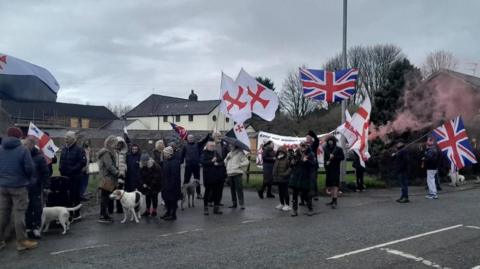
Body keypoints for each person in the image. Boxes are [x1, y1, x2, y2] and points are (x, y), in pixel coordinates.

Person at [0, 127, 37, 251]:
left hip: (3, 186)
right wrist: (27, 179)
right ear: (20, 137)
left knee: (3, 213)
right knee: (19, 214)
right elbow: (30, 168)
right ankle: (21, 242)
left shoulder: (1, 148)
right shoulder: (23, 150)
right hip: (18, 186)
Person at [24, 138, 49, 239]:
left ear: (32, 145)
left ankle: (37, 227)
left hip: (36, 186)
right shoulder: (23, 156)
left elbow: (45, 173)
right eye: (24, 145)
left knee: (37, 207)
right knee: (27, 207)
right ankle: (28, 227)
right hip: (24, 186)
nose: (25, 147)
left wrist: (46, 186)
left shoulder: (39, 157)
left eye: (27, 145)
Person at [59, 131, 87, 220]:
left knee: (75, 196)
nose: (65, 139)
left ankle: (77, 214)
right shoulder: (64, 149)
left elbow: (82, 162)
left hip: (75, 177)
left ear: (73, 139)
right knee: (67, 196)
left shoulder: (79, 150)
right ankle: (69, 214)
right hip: (64, 177)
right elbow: (61, 161)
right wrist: (60, 168)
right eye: (65, 137)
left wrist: (72, 169)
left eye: (67, 137)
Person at [97, 135, 120, 223]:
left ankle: (105, 214)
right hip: (107, 178)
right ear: (111, 143)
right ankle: (103, 216)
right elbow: (109, 166)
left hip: (106, 177)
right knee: (105, 197)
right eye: (115, 143)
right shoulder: (106, 152)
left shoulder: (108, 151)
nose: (116, 145)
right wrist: (117, 172)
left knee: (105, 197)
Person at [289, 143, 316, 216]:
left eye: (304, 146)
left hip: (305, 176)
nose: (303, 147)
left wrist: (306, 161)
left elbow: (314, 164)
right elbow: (292, 164)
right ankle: (294, 210)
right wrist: (292, 163)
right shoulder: (296, 154)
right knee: (295, 194)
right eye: (301, 146)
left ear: (307, 147)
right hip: (296, 176)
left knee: (305, 194)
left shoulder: (310, 154)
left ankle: (310, 208)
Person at [201, 140, 226, 215]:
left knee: (217, 193)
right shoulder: (204, 153)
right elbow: (203, 162)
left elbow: (222, 162)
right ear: (207, 146)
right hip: (208, 177)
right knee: (207, 193)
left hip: (217, 177)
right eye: (211, 146)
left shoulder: (216, 153)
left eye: (213, 146)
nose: (212, 147)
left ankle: (216, 208)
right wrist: (211, 161)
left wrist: (218, 163)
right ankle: (205, 208)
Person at [181, 134, 209, 199]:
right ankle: (183, 193)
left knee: (197, 180)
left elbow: (204, 141)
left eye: (192, 138)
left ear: (194, 138)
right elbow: (182, 155)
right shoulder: (185, 146)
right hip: (188, 165)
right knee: (186, 180)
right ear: (187, 139)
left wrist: (208, 135)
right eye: (189, 138)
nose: (191, 139)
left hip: (196, 165)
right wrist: (181, 162)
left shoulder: (197, 144)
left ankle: (198, 194)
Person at [225, 144, 249, 210]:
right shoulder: (229, 154)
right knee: (232, 189)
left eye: (231, 146)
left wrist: (239, 165)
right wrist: (227, 159)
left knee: (239, 189)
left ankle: (242, 204)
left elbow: (246, 162)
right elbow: (225, 163)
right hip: (230, 173)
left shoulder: (240, 153)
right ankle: (234, 204)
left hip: (237, 173)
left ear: (235, 146)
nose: (230, 147)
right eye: (230, 146)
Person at [161, 146, 182, 221]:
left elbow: (175, 176)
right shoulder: (166, 160)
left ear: (169, 154)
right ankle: (168, 212)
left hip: (172, 186)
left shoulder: (175, 162)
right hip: (165, 184)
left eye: (165, 153)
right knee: (167, 199)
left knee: (173, 200)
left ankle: (173, 215)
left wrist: (170, 186)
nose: (163, 155)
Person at [324, 136, 345, 209]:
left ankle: (335, 201)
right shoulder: (326, 149)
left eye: (331, 140)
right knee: (331, 185)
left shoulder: (338, 149)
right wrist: (326, 164)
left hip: (336, 169)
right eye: (329, 140)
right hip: (329, 169)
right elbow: (325, 158)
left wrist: (334, 157)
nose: (330, 142)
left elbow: (342, 157)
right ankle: (332, 200)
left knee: (335, 185)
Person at [272, 146, 292, 211]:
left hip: (285, 178)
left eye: (281, 152)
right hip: (278, 178)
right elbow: (275, 168)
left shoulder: (287, 159)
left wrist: (285, 174)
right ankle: (282, 203)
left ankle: (287, 205)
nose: (280, 153)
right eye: (279, 152)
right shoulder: (277, 159)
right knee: (280, 192)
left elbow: (290, 168)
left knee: (285, 192)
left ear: (284, 152)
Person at [113, 136, 128, 214]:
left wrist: (124, 171)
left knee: (119, 192)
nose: (119, 145)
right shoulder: (112, 152)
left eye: (121, 144)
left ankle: (119, 209)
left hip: (121, 175)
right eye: (118, 143)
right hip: (113, 175)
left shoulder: (124, 153)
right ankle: (110, 209)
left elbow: (125, 163)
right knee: (112, 192)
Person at [306, 130, 320, 199]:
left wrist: (313, 134)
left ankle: (315, 193)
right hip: (306, 165)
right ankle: (307, 193)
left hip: (313, 165)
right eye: (306, 138)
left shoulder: (314, 145)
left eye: (308, 138)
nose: (307, 139)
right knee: (307, 180)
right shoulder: (305, 145)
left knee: (313, 179)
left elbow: (317, 140)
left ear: (311, 139)